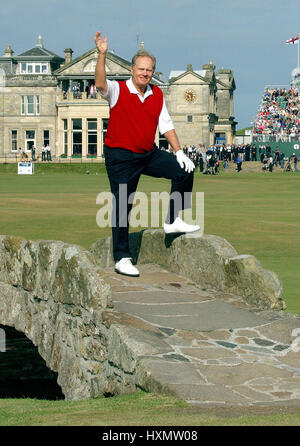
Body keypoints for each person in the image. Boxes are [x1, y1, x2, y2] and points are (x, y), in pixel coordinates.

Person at [94, 31, 199, 277]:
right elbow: (100, 84)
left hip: (147, 153)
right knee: (123, 203)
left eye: (149, 70)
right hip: (120, 156)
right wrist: (102, 55)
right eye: (141, 69)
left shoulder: (157, 93)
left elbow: (166, 124)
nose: (145, 73)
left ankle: (172, 220)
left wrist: (179, 152)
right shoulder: (118, 90)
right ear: (132, 69)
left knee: (184, 170)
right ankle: (121, 257)